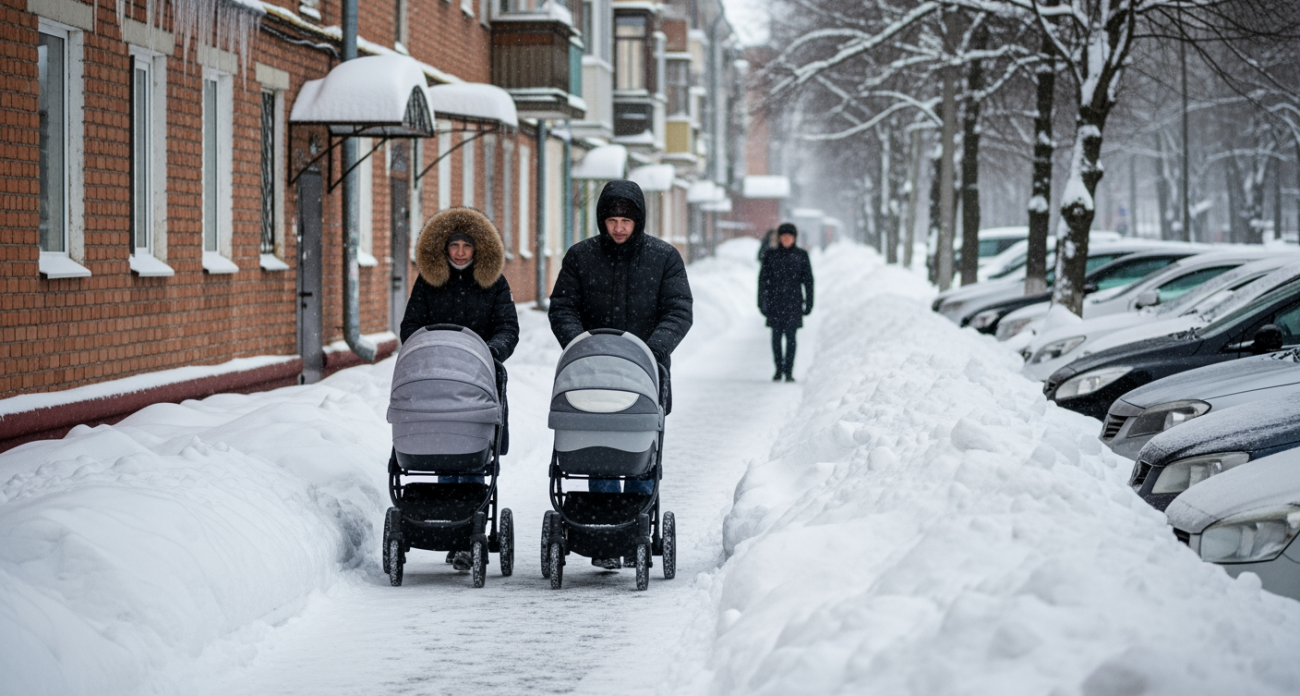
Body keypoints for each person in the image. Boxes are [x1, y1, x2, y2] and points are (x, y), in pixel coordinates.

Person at [548, 179, 693, 569]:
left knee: (640, 451)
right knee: (601, 450)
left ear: (638, 221)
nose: (618, 228)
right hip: (593, 375)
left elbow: (678, 310)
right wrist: (581, 345)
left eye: (625, 221)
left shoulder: (663, 258)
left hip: (645, 374)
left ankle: (636, 527)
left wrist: (653, 349)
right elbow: (562, 306)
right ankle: (604, 532)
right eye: (611, 219)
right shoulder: (581, 257)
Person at [399, 206, 519, 571]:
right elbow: (411, 327)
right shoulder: (429, 282)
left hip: (477, 382)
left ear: (479, 248)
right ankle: (447, 524)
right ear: (444, 247)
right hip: (438, 381)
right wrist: (432, 349)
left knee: (471, 455)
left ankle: (467, 531)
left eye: (467, 245)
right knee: (442, 450)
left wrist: (487, 352)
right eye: (455, 245)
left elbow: (508, 329)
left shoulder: (493, 283)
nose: (461, 252)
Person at [758, 222, 813, 382]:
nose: (787, 239)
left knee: (791, 338)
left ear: (794, 238)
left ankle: (788, 371)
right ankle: (778, 369)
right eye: (784, 236)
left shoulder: (801, 256)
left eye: (790, 236)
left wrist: (809, 303)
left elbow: (808, 281)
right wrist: (761, 302)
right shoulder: (770, 255)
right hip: (775, 303)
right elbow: (762, 281)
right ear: (779, 237)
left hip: (793, 303)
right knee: (776, 338)